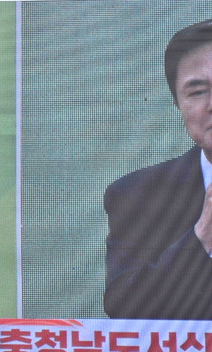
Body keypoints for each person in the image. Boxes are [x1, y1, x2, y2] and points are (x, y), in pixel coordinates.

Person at [104, 19, 212, 320]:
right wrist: (202, 236)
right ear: (178, 104)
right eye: (198, 91)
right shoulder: (137, 195)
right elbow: (124, 309)